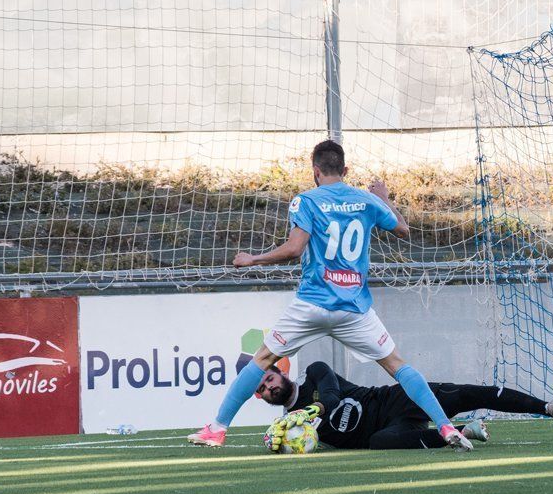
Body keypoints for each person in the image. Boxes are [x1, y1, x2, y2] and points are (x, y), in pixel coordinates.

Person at [189, 140, 474, 451]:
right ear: (345, 170)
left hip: (312, 303)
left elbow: (295, 249)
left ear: (315, 171)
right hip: (354, 308)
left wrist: (253, 259)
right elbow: (403, 229)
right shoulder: (366, 200)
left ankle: (217, 429)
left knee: (262, 359)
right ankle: (446, 427)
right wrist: (384, 199)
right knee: (397, 365)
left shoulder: (306, 201)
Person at [258, 362, 553, 451]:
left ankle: (546, 407)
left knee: (462, 395)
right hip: (385, 432)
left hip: (392, 399)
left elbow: (331, 396)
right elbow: (303, 445)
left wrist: (311, 412)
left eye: (269, 379)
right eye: (262, 389)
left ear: (280, 371)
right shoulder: (290, 425)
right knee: (378, 443)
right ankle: (464, 432)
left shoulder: (314, 371)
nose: (269, 387)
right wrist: (281, 442)